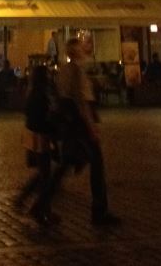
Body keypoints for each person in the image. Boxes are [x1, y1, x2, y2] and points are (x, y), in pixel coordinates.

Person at [56, 37, 120, 227]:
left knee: (67, 163)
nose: (85, 49)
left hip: (72, 123)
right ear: (76, 52)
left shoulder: (64, 70)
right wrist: (91, 127)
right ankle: (99, 211)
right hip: (81, 124)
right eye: (81, 47)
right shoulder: (77, 71)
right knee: (96, 165)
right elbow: (81, 102)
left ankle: (42, 200)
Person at [14, 65, 62, 225]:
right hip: (41, 136)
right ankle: (41, 210)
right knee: (45, 175)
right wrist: (53, 131)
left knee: (44, 173)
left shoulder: (33, 92)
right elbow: (43, 118)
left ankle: (28, 200)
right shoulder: (40, 95)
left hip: (34, 135)